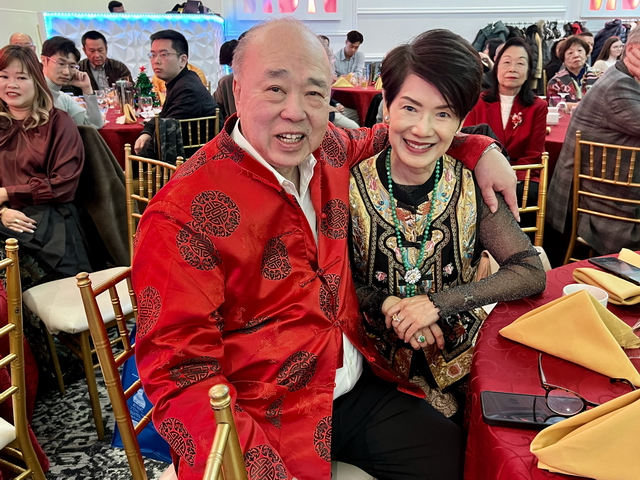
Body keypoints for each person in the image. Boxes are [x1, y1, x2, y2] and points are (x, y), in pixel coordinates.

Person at [132, 18, 518, 480]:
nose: (296, 111)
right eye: (275, 89)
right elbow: (179, 374)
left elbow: (402, 135)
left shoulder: (329, 150)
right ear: (237, 90)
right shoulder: (182, 214)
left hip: (353, 387)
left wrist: (481, 149)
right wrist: (260, 471)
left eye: (314, 93)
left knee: (464, 462)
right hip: (261, 413)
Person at [350, 30, 545, 421]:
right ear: (386, 105)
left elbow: (529, 270)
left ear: (461, 120)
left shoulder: (471, 182)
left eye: (443, 114)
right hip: (374, 369)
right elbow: (332, 278)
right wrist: (389, 306)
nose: (423, 129)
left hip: (465, 358)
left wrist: (438, 305)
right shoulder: (349, 184)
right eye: (409, 108)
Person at [0, 45, 90, 287]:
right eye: (4, 76)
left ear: (36, 80)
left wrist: (7, 193)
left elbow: (64, 185)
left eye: (21, 78)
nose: (11, 85)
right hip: (5, 218)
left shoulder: (58, 122)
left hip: (51, 217)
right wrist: (3, 210)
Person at [546, 27, 640, 258]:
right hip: (605, 206)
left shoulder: (622, 77)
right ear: (631, 49)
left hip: (613, 191)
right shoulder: (618, 86)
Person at [465, 37, 547, 228]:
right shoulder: (478, 101)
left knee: (527, 193)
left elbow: (533, 154)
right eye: (507, 62)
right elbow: (468, 144)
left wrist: (509, 177)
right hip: (482, 171)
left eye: (520, 63)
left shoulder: (538, 107)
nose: (512, 69)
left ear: (529, 71)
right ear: (496, 68)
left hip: (521, 174)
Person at [133, 29, 217, 157]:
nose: (156, 61)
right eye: (153, 55)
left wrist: (132, 166)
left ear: (183, 60)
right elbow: (164, 115)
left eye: (164, 54)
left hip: (190, 163)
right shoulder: (184, 80)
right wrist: (147, 132)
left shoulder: (187, 91)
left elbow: (165, 139)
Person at [41, 36, 104, 129]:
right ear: (44, 60)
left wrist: (87, 89)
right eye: (61, 64)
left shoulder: (64, 99)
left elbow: (94, 124)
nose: (66, 72)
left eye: (72, 66)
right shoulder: (32, 94)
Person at [546, 35, 598, 103]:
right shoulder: (556, 82)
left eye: (580, 51)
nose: (576, 55)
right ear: (563, 58)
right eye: (570, 53)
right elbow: (555, 104)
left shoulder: (599, 77)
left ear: (586, 54)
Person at [213, 39, 238, 120]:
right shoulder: (225, 82)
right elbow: (215, 105)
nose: (232, 66)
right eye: (228, 64)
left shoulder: (225, 81)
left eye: (231, 63)